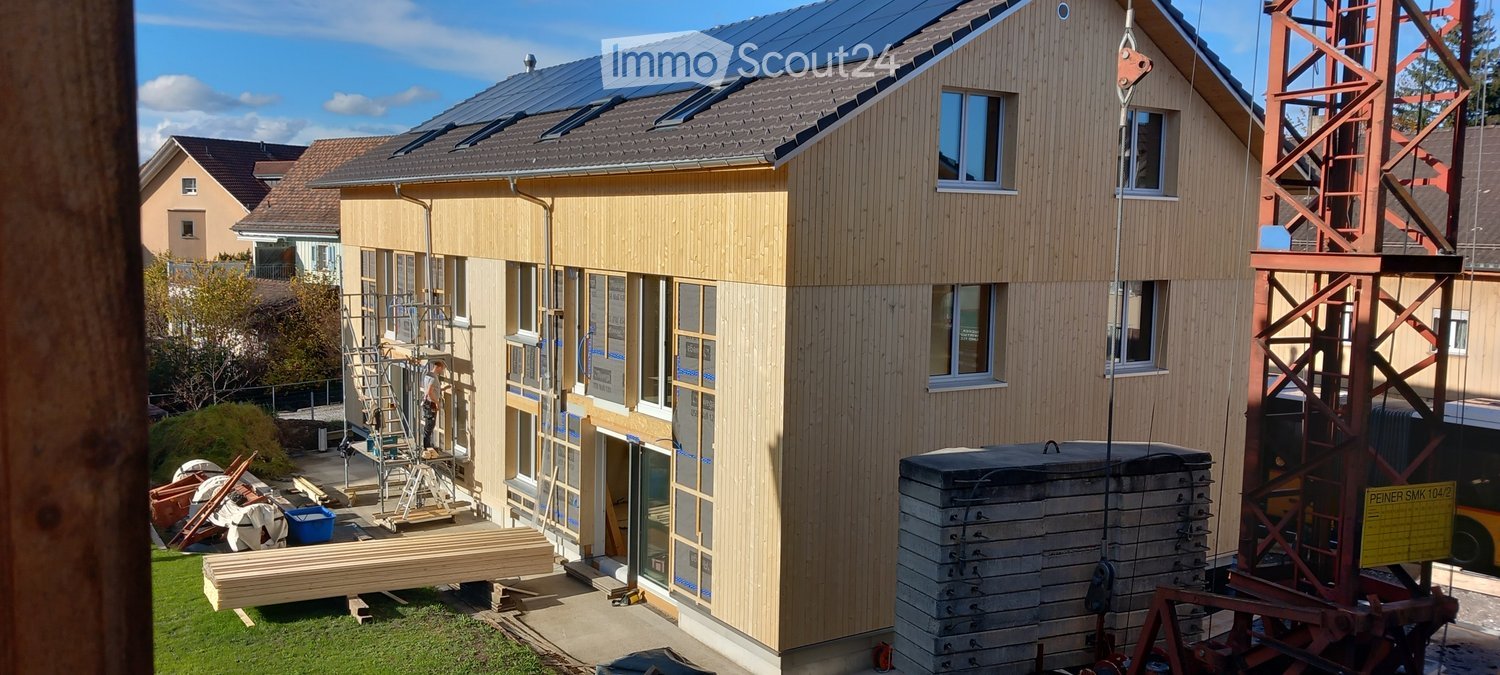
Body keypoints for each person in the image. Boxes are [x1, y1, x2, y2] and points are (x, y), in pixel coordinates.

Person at [420, 359, 449, 454]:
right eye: (442, 369)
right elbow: (429, 392)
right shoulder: (433, 378)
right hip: (430, 403)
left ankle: (427, 446)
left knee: (429, 425)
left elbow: (433, 389)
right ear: (438, 367)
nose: (442, 371)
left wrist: (443, 389)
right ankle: (427, 448)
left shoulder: (428, 375)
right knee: (430, 426)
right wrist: (436, 402)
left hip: (427, 402)